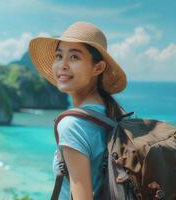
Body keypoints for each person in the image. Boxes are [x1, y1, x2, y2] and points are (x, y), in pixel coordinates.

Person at [29, 21, 127, 200]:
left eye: (74, 57)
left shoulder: (72, 126)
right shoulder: (115, 113)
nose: (63, 64)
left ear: (98, 67)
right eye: (59, 56)